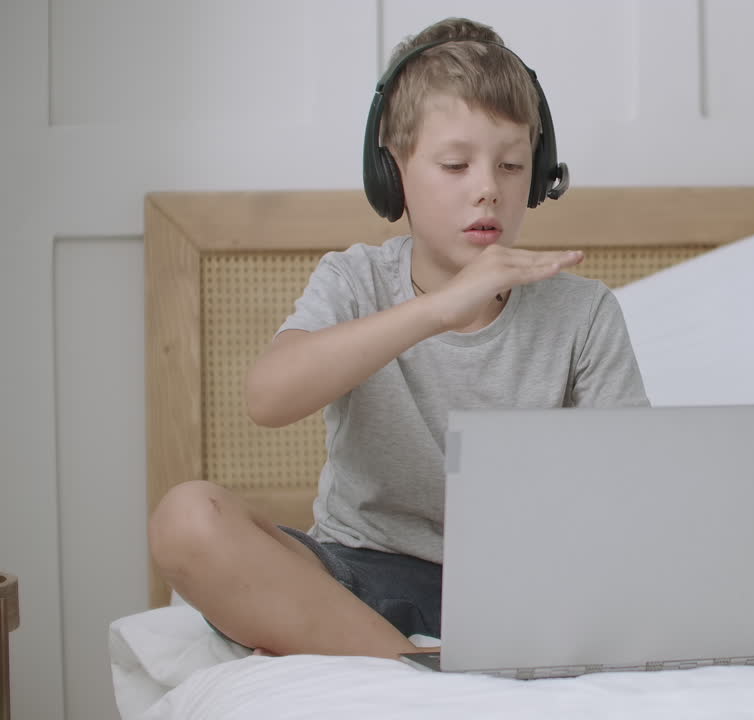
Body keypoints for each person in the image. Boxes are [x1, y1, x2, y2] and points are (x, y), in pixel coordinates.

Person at [147, 17, 649, 659]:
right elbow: (268, 398)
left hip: (523, 589)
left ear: (541, 172)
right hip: (353, 578)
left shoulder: (585, 314)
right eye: (454, 164)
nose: (488, 188)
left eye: (513, 164)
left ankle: (415, 662)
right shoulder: (354, 279)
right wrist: (438, 309)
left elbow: (632, 498)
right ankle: (411, 665)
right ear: (394, 173)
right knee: (186, 519)